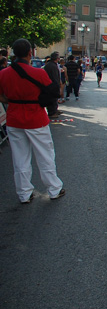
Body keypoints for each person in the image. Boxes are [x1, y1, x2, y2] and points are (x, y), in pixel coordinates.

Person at [0, 39, 65, 204]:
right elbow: (53, 90)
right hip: (35, 117)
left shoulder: (3, 74)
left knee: (20, 157)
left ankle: (24, 193)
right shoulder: (38, 73)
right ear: (30, 53)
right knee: (45, 155)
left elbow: (1, 96)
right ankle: (54, 188)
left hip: (14, 118)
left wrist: (11, 101)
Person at [43, 52, 62, 119]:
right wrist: (57, 85)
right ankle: (52, 112)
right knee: (53, 99)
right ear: (56, 58)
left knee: (54, 99)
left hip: (50, 85)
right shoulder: (52, 66)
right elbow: (54, 77)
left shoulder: (50, 65)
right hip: (52, 85)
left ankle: (54, 110)